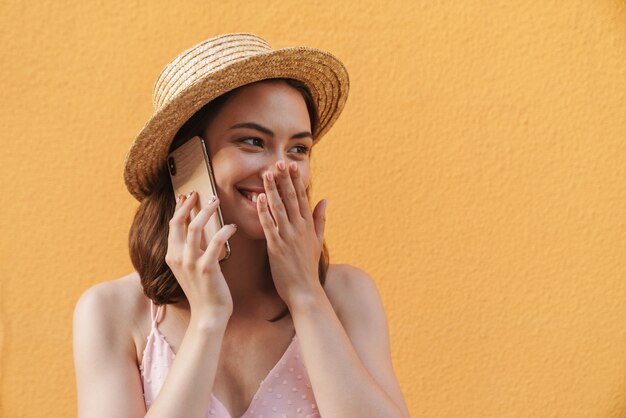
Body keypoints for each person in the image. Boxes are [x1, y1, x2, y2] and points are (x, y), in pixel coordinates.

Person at [73, 33, 409, 418]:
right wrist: (208, 320)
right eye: (253, 141)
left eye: (298, 148)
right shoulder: (111, 312)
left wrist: (305, 295)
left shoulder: (347, 295)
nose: (281, 168)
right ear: (186, 163)